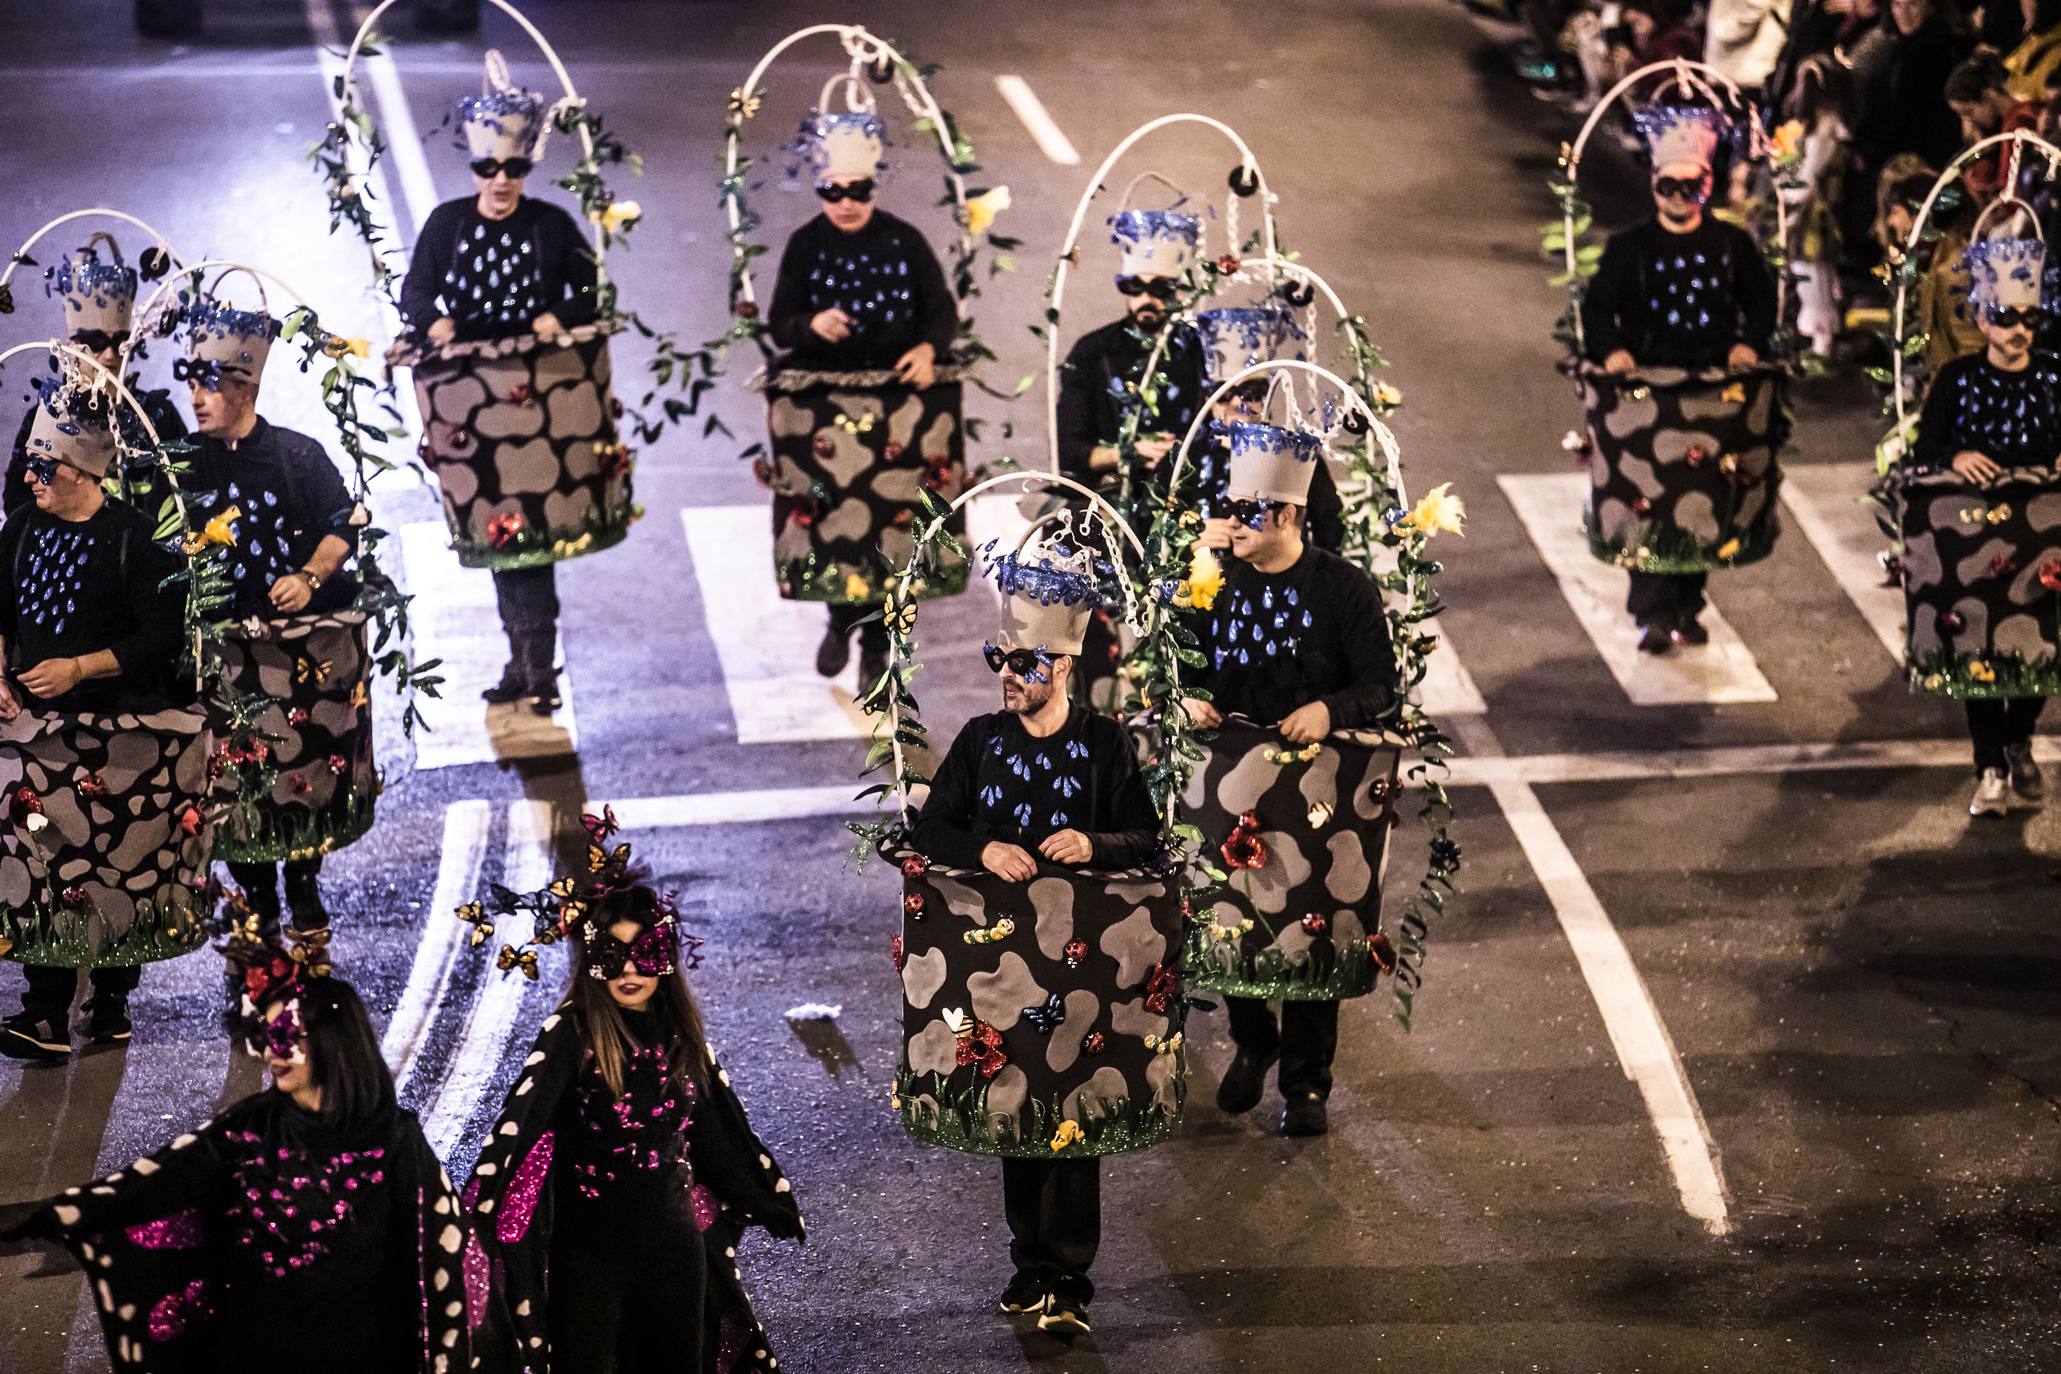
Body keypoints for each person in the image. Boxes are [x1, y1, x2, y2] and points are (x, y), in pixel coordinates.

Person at [0, 914, 495, 1370]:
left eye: (285, 1035)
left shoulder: (394, 1139)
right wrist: (65, 1216)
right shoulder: (251, 1128)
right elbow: (161, 1180)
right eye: (264, 1034)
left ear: (331, 1043)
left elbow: (445, 1254)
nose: (269, 1052)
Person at [910, 530, 1162, 1336]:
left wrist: (1095, 845)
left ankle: (1071, 1275)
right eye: (1003, 662)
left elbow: (1148, 840)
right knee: (1014, 1103)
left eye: (1027, 665)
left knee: (1074, 1111)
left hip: (1080, 965)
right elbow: (929, 832)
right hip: (1000, 965)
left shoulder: (1103, 743)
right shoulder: (981, 743)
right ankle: (1029, 1265)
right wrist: (981, 846)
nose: (1011, 678)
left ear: (1063, 669)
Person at [462, 824, 802, 1372]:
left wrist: (765, 1200)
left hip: (674, 1247)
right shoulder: (572, 1034)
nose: (628, 971)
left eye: (644, 955)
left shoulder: (682, 1036)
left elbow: (713, 1129)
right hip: (588, 1256)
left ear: (665, 960)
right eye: (612, 956)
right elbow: (522, 1126)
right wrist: (475, 1208)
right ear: (592, 964)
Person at [1179, 421, 1399, 1137]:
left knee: (1313, 925)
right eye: (1227, 507)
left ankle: (1307, 1087)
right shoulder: (1210, 583)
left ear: (1285, 515)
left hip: (1318, 789)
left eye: (1243, 511)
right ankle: (1252, 1038)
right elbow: (1176, 667)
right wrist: (1187, 694)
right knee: (1230, 919)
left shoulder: (1344, 591)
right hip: (1233, 785)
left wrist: (1326, 708)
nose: (1228, 523)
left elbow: (1379, 687)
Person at [401, 62, 599, 714]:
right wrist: (434, 320)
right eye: (489, 170)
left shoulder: (549, 224)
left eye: (514, 169)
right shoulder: (446, 223)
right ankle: (524, 663)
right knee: (499, 540)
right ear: (473, 170)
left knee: (527, 541)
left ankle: (537, 668)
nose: (501, 182)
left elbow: (590, 287)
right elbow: (414, 292)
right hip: (466, 402)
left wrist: (557, 316)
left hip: (535, 400)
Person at [0, 387, 183, 1060]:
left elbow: (162, 635)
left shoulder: (136, 539)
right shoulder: (19, 528)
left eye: (43, 467)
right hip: (41, 740)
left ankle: (109, 1000)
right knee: (42, 862)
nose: (28, 478)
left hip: (118, 738)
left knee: (110, 866)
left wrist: (81, 668)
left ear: (82, 471)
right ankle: (44, 1011)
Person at [179, 290, 360, 935]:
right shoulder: (181, 463)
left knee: (300, 765)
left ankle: (304, 891)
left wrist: (310, 576)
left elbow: (345, 525)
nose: (196, 400)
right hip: (225, 653)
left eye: (209, 388)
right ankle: (255, 898)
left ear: (246, 389)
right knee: (237, 774)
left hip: (293, 653)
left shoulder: (297, 455)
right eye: (192, 386)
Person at [765, 105, 961, 688]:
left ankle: (877, 643)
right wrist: (809, 327)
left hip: (897, 410)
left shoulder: (905, 240)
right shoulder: (805, 245)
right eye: (833, 192)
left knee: (890, 525)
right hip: (825, 410)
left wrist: (928, 349)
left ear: (874, 188)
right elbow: (779, 323)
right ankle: (839, 618)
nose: (846, 202)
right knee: (830, 516)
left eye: (858, 190)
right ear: (819, 190)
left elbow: (942, 311)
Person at [1582, 101, 1778, 653]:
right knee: (1646, 503)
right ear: (1653, 184)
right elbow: (1598, 307)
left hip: (1715, 391)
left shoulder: (1733, 246)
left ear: (1707, 184)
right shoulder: (1629, 248)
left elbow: (1761, 302)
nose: (1678, 197)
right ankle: (1651, 612)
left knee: (1704, 504)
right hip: (1646, 390)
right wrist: (1614, 350)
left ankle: (1687, 605)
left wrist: (1747, 343)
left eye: (1689, 188)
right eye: (1669, 186)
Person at [1908, 233, 2061, 816]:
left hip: (2043, 537)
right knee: (1975, 647)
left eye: (2028, 317)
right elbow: (1923, 453)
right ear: (1980, 316)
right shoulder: (1955, 381)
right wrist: (1954, 459)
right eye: (2004, 316)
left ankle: (2018, 738)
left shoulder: (2055, 379)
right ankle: (1989, 766)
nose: (2018, 329)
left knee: (2038, 647)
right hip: (1973, 539)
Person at [7, 236, 186, 514]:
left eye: (120, 342)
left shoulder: (157, 416)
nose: (110, 355)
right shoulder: (44, 417)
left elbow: (182, 504)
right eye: (97, 342)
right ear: (71, 345)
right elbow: (19, 506)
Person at [1055, 200, 1207, 510]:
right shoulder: (1092, 352)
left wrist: (1183, 454)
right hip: (1112, 498)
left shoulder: (1200, 350)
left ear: (1179, 291)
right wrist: (1129, 453)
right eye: (1134, 287)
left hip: (1187, 497)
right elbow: (1068, 449)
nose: (1146, 299)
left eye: (1160, 289)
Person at [1190, 306, 1344, 553]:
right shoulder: (1185, 460)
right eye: (1224, 393)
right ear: (1209, 396)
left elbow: (1332, 539)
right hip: (1198, 588)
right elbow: (1146, 540)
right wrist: (1186, 539)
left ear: (1266, 395)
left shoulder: (1296, 456)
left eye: (1251, 393)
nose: (1238, 403)